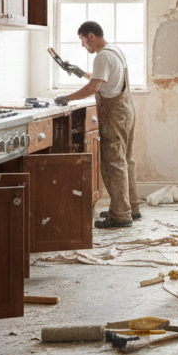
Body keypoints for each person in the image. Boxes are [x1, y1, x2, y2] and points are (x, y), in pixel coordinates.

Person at [55, 21, 140, 228]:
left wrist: (67, 98)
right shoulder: (115, 51)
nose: (83, 45)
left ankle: (120, 215)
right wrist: (79, 72)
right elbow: (103, 78)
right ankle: (131, 208)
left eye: (83, 41)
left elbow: (93, 87)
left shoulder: (101, 56)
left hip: (115, 115)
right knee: (125, 160)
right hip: (126, 111)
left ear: (91, 36)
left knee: (113, 163)